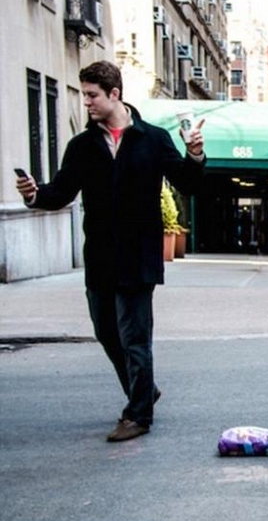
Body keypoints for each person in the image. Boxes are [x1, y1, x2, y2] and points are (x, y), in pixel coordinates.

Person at [15, 61, 207, 442]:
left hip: (139, 256)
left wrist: (196, 155)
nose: (86, 101)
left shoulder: (152, 139)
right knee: (107, 332)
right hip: (100, 257)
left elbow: (188, 182)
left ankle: (138, 415)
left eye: (92, 95)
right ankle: (144, 391)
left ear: (114, 94)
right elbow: (62, 191)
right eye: (84, 94)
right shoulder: (82, 146)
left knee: (135, 338)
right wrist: (36, 195)